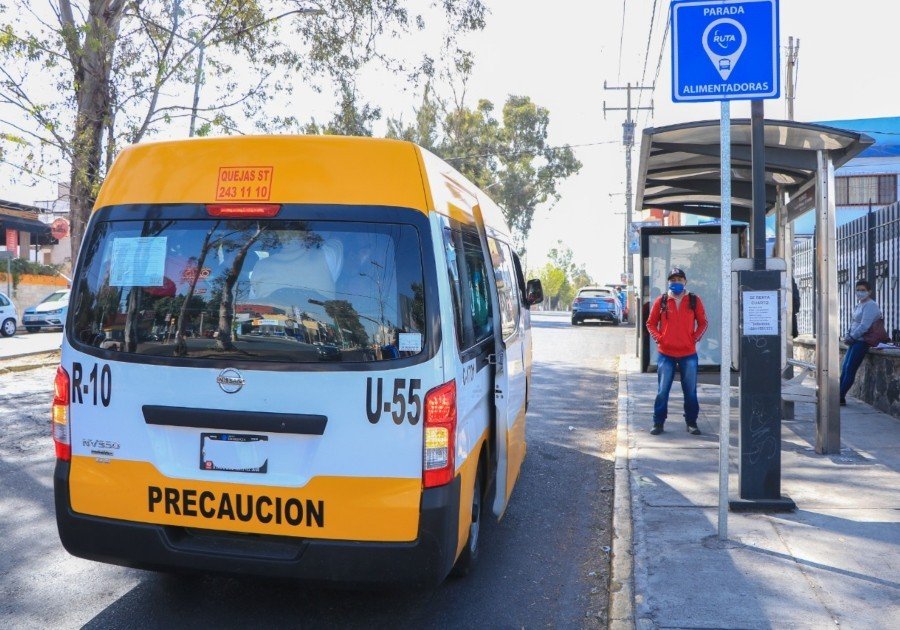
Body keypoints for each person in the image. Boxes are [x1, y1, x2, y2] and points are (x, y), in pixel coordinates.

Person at [645, 267, 708, 435]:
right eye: (673, 280)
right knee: (662, 390)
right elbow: (650, 323)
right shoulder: (662, 300)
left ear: (685, 282)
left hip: (688, 354)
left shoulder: (695, 300)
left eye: (679, 280)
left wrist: (694, 339)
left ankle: (691, 422)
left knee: (690, 391)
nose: (676, 283)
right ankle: (658, 422)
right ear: (669, 282)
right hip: (666, 354)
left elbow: (703, 323)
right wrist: (660, 338)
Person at [839, 280, 881, 406]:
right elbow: (854, 322)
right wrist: (848, 334)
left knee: (850, 368)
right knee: (845, 368)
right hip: (854, 340)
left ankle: (840, 396)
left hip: (862, 342)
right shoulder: (859, 304)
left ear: (869, 292)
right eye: (858, 290)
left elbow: (864, 326)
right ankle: (838, 394)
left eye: (863, 290)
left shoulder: (871, 305)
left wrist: (852, 336)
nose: (860, 292)